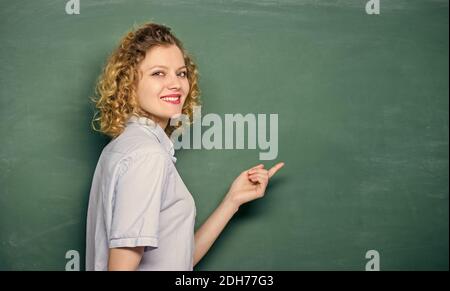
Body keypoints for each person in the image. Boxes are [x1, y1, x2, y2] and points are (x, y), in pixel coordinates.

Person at [85, 22, 284, 271]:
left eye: (181, 73)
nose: (176, 84)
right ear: (129, 83)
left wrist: (232, 201)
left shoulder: (125, 146)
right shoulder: (147, 156)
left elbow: (178, 262)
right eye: (158, 73)